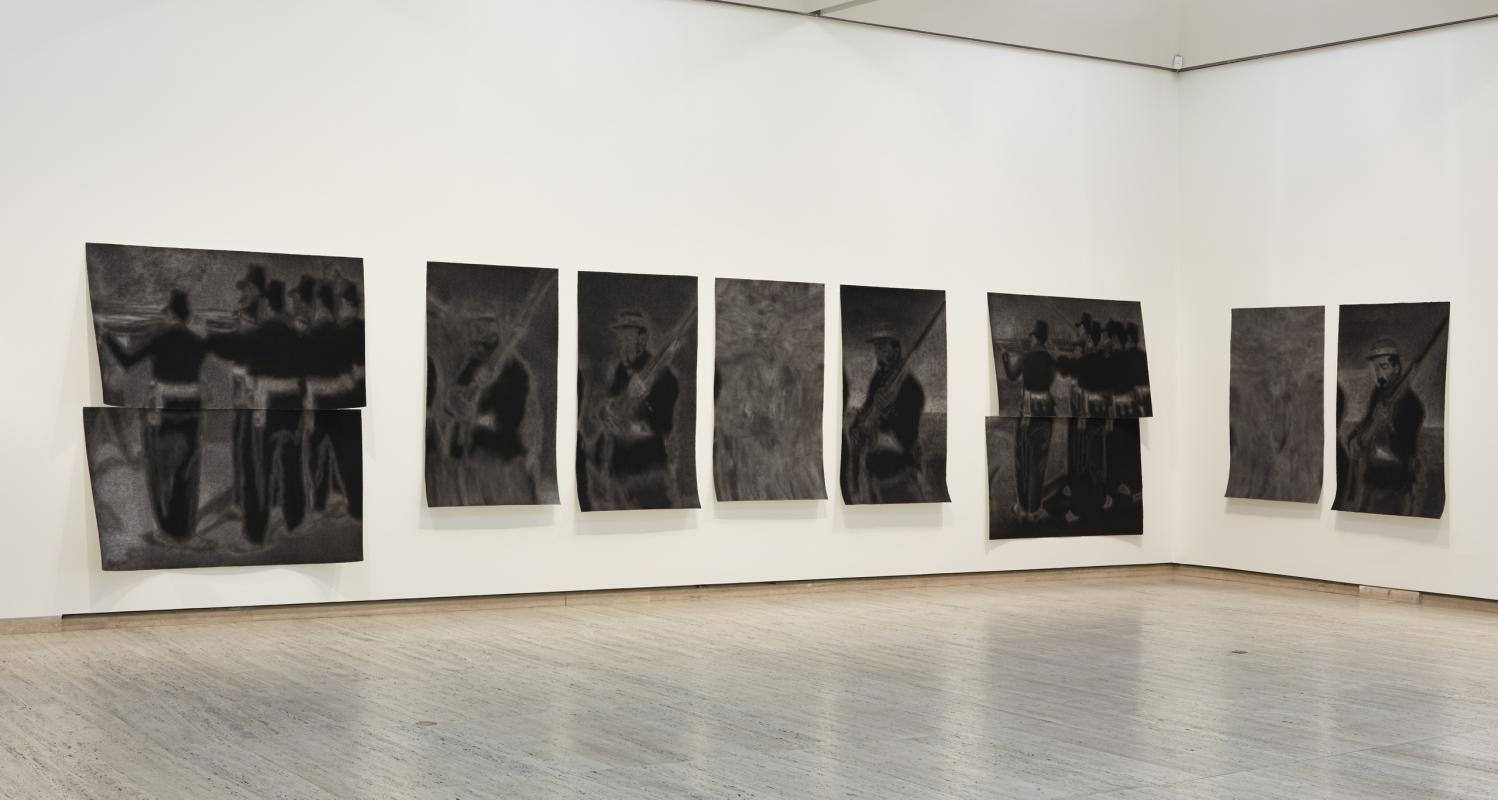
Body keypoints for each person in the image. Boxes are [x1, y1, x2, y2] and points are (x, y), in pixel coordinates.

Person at [101, 290, 207, 541]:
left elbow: (127, 361)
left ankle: (166, 530)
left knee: (160, 470)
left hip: (163, 409)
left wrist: (106, 335)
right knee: (187, 469)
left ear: (169, 314)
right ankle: (185, 530)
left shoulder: (161, 339)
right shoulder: (197, 342)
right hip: (192, 410)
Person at [442, 316, 536, 505]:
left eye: (480, 345)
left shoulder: (515, 372)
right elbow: (452, 403)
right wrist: (464, 399)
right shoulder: (473, 366)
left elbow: (510, 419)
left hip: (502, 457)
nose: (475, 349)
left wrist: (476, 418)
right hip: (472, 454)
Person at [592, 310, 680, 509]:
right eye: (621, 336)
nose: (624, 342)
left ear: (643, 339)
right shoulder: (620, 371)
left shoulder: (664, 377)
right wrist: (611, 408)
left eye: (629, 336)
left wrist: (643, 402)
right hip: (619, 469)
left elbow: (663, 425)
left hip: (648, 467)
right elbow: (606, 408)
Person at [1338, 337, 1425, 515]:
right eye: (1375, 368)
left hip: (1396, 487)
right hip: (1371, 480)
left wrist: (1387, 425)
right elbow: (1366, 423)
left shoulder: (1412, 406)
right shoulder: (1378, 394)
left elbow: (1405, 451)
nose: (1378, 374)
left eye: (1383, 367)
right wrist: (1357, 435)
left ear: (1396, 368)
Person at [845, 328, 926, 504]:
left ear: (896, 350)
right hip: (873, 467)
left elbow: (908, 436)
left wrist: (881, 426)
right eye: (876, 348)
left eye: (882, 347)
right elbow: (868, 408)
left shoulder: (911, 388)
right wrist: (856, 428)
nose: (877, 352)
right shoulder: (878, 380)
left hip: (897, 469)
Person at [1000, 320, 1057, 521]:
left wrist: (1005, 359)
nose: (1029, 339)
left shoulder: (1026, 357)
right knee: (1038, 463)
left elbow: (1011, 376)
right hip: (1046, 413)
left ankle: (1023, 507)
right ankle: (1035, 509)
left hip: (1026, 413)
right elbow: (1050, 381)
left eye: (1031, 336)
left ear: (1034, 337)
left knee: (1021, 461)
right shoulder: (1050, 359)